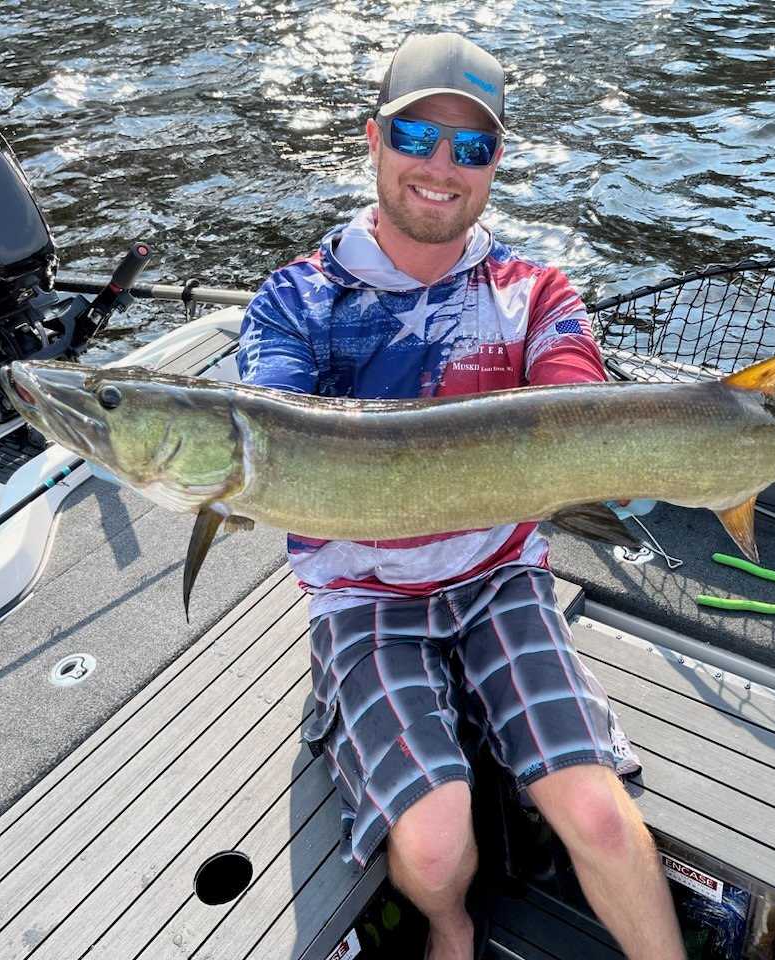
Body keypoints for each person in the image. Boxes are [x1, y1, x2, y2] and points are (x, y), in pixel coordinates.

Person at [237, 32, 684, 960]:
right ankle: (450, 929)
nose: (441, 167)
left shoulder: (536, 290)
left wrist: (628, 447)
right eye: (417, 136)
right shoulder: (295, 301)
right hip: (366, 597)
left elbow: (572, 390)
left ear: (494, 162)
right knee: (437, 849)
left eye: (471, 147)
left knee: (598, 819)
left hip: (500, 577)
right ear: (373, 138)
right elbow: (266, 436)